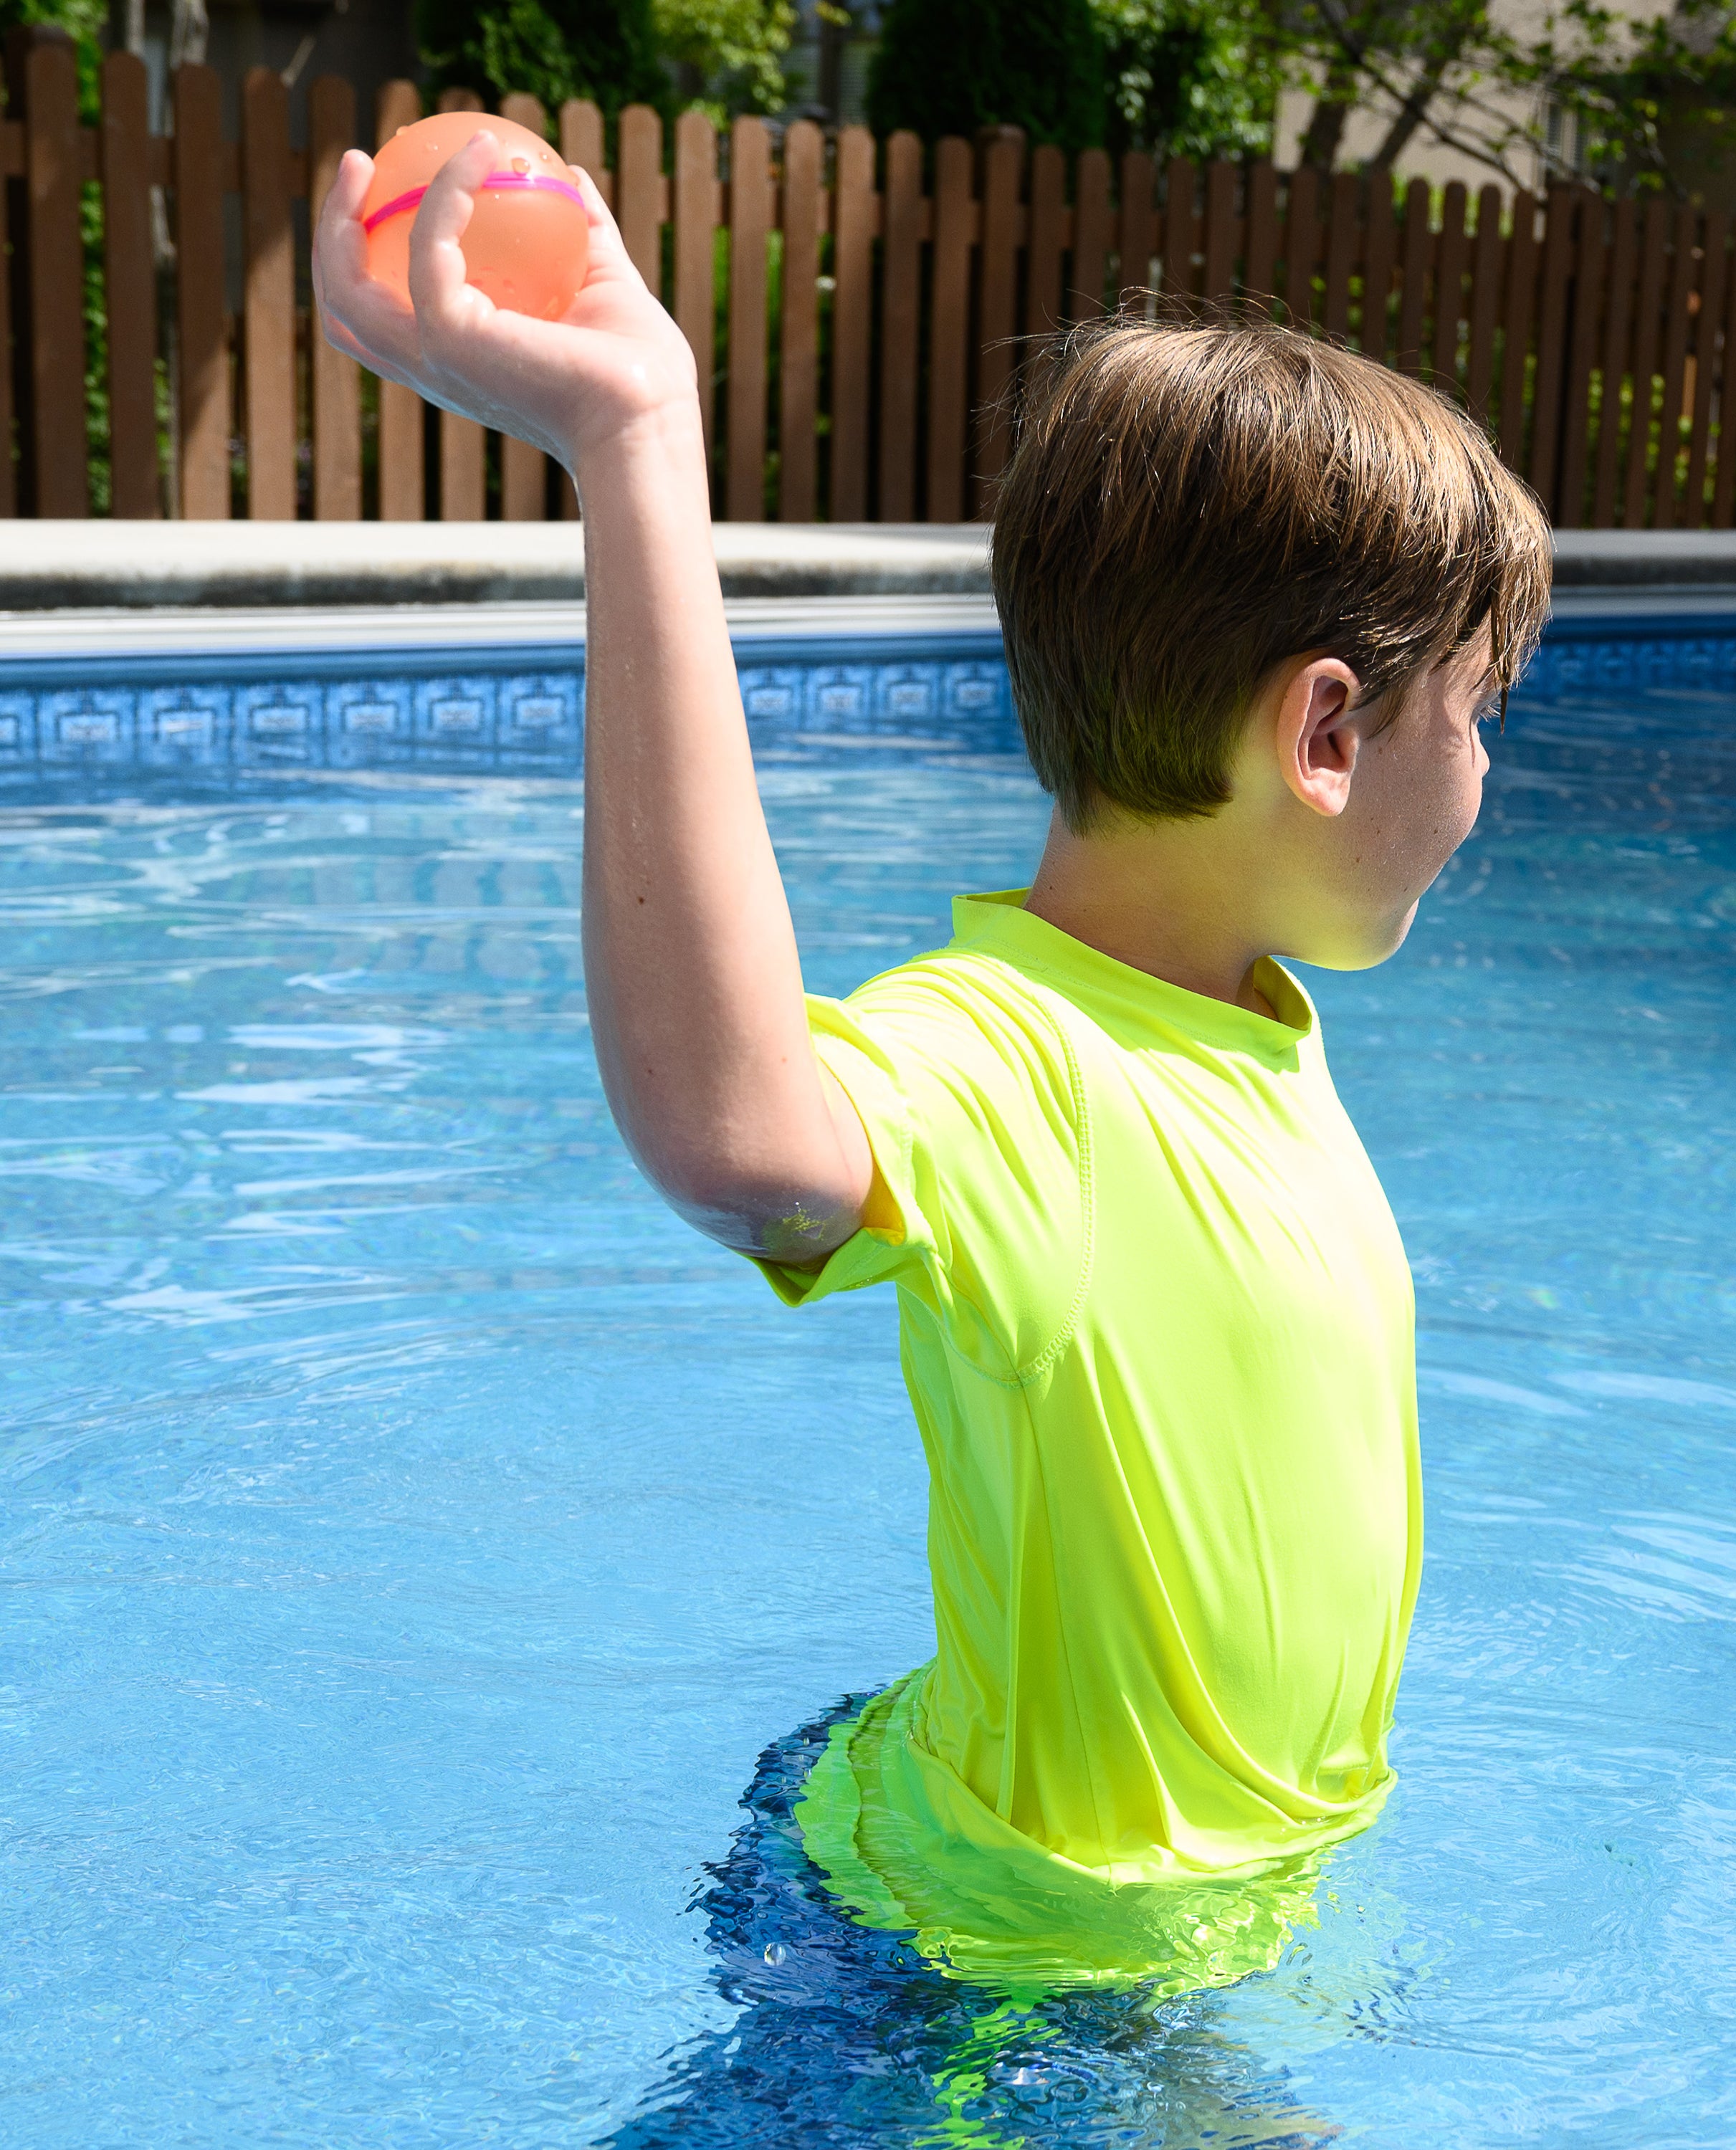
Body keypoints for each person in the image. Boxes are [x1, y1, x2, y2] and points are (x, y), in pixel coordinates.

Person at [313, 134, 1551, 1998]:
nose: (1485, 785)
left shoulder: (1242, 1028)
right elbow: (734, 1131)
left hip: (1101, 1906)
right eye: (1483, 717)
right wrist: (639, 447)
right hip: (977, 1959)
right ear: (1326, 733)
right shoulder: (1023, 1066)